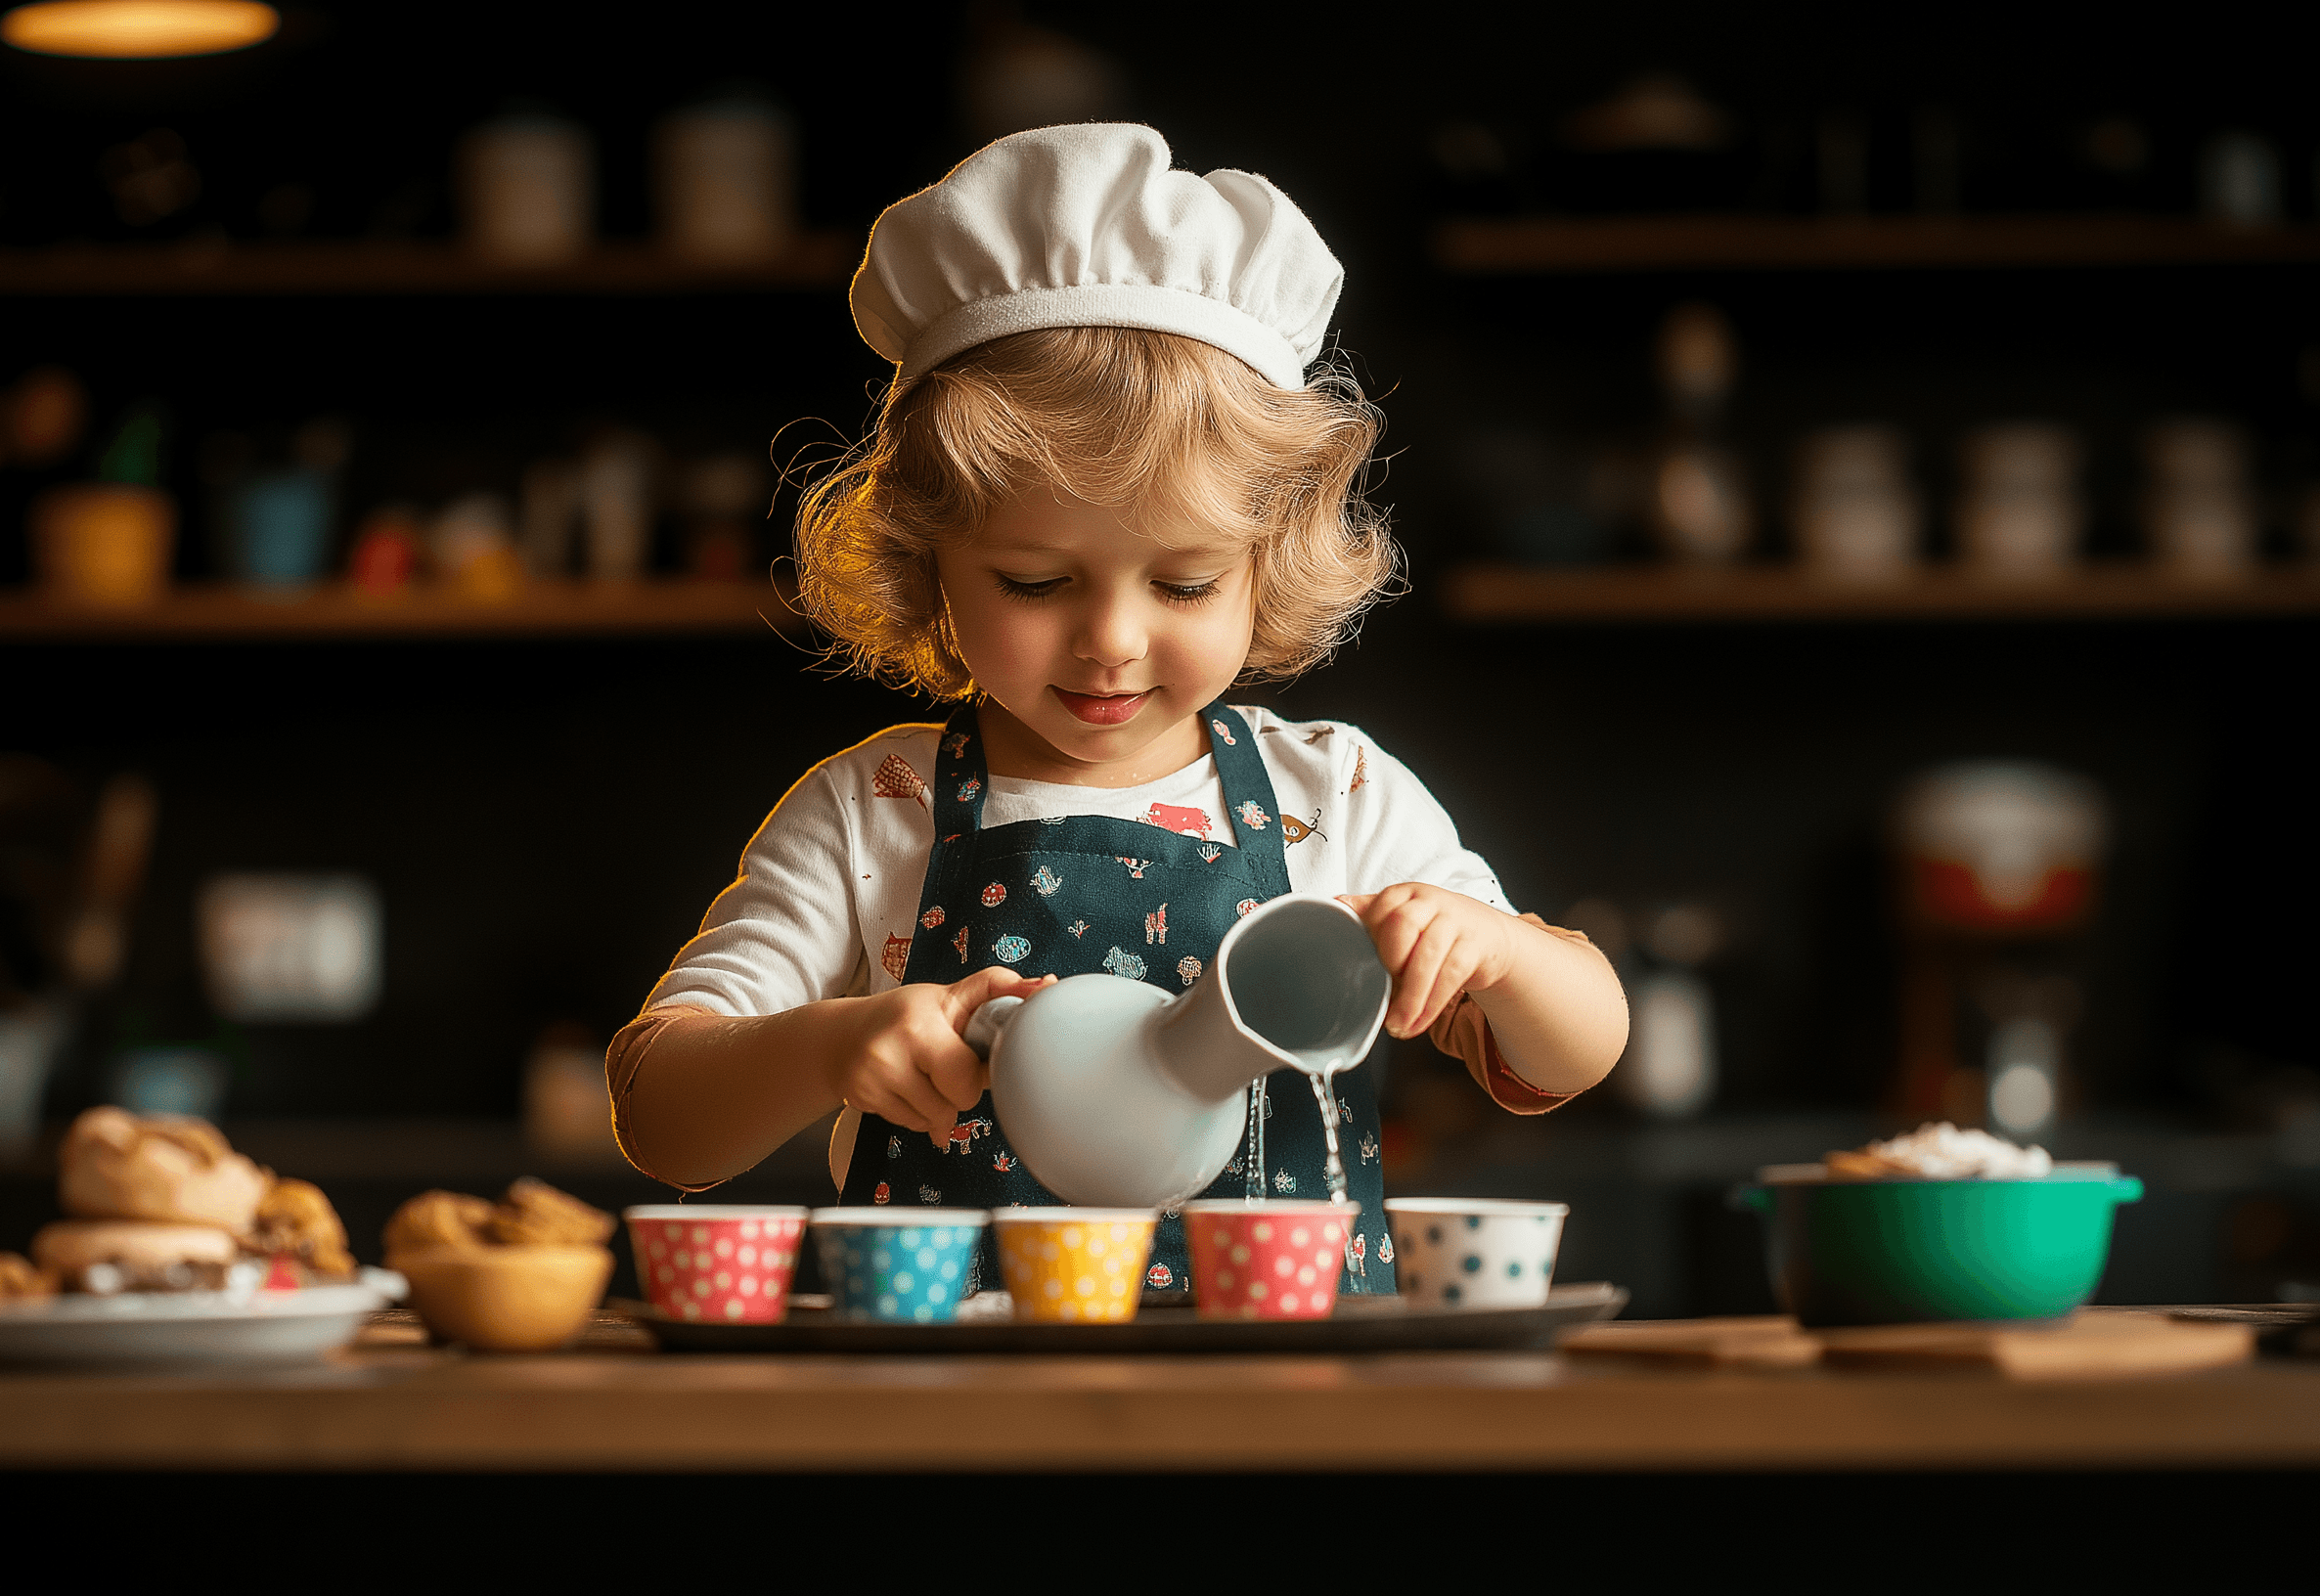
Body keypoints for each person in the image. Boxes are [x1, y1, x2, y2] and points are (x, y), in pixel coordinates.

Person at [606, 124, 1627, 1292]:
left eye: (1183, 582)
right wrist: (831, 1044)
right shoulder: (870, 810)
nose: (1109, 641)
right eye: (1035, 583)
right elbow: (658, 1116)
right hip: (956, 1417)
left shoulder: (1332, 794)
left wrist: (1497, 957)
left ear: (1268, 560)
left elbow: (1578, 1052)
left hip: (1296, 1408)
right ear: (927, 557)